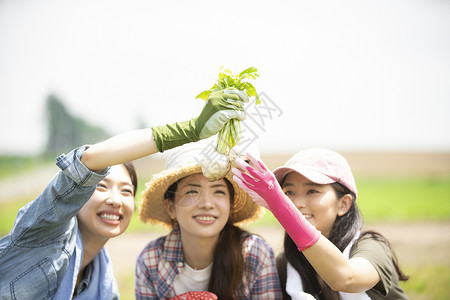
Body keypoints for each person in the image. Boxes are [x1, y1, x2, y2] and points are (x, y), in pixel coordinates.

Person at [0, 89, 249, 299]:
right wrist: (191, 130)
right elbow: (87, 161)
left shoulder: (105, 286)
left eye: (126, 190)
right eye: (101, 186)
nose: (115, 199)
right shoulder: (42, 233)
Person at [232, 148, 409, 300]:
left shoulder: (371, 247)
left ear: (343, 204)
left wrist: (281, 206)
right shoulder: (287, 263)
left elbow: (345, 278)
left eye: (312, 191)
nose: (297, 202)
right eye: (288, 192)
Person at [135, 140, 282, 300]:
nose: (206, 204)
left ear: (230, 204)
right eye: (192, 192)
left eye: (218, 191)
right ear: (170, 207)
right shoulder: (152, 260)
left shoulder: (254, 253)